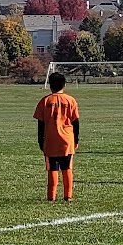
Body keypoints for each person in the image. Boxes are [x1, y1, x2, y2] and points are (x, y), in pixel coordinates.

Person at [33, 72, 80, 202]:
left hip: (50, 140)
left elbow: (41, 123)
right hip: (67, 140)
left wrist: (40, 140)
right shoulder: (70, 100)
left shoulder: (45, 101)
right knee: (67, 168)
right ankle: (68, 196)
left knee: (52, 169)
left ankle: (51, 197)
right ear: (64, 85)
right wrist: (76, 140)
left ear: (50, 85)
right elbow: (76, 122)